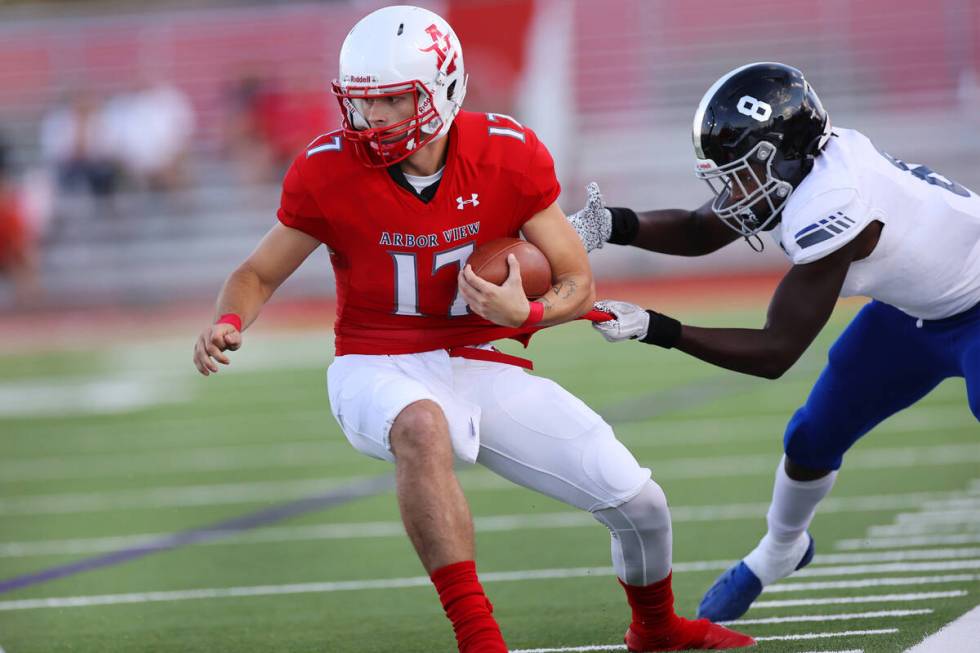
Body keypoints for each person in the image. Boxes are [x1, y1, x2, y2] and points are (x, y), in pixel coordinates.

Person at [193, 6, 753, 652]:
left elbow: (578, 280)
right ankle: (478, 637)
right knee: (422, 426)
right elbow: (257, 272)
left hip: (479, 357)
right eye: (362, 103)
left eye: (393, 101)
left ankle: (656, 629)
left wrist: (529, 316)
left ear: (443, 88)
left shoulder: (506, 155)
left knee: (642, 503)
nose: (372, 120)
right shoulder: (327, 168)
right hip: (377, 362)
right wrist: (229, 320)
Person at [566, 61, 980, 623]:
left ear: (778, 155)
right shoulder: (804, 169)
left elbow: (774, 352)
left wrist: (656, 328)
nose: (732, 191)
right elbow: (698, 228)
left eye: (739, 173)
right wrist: (608, 225)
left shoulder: (836, 202)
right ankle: (779, 552)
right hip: (914, 312)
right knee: (811, 436)